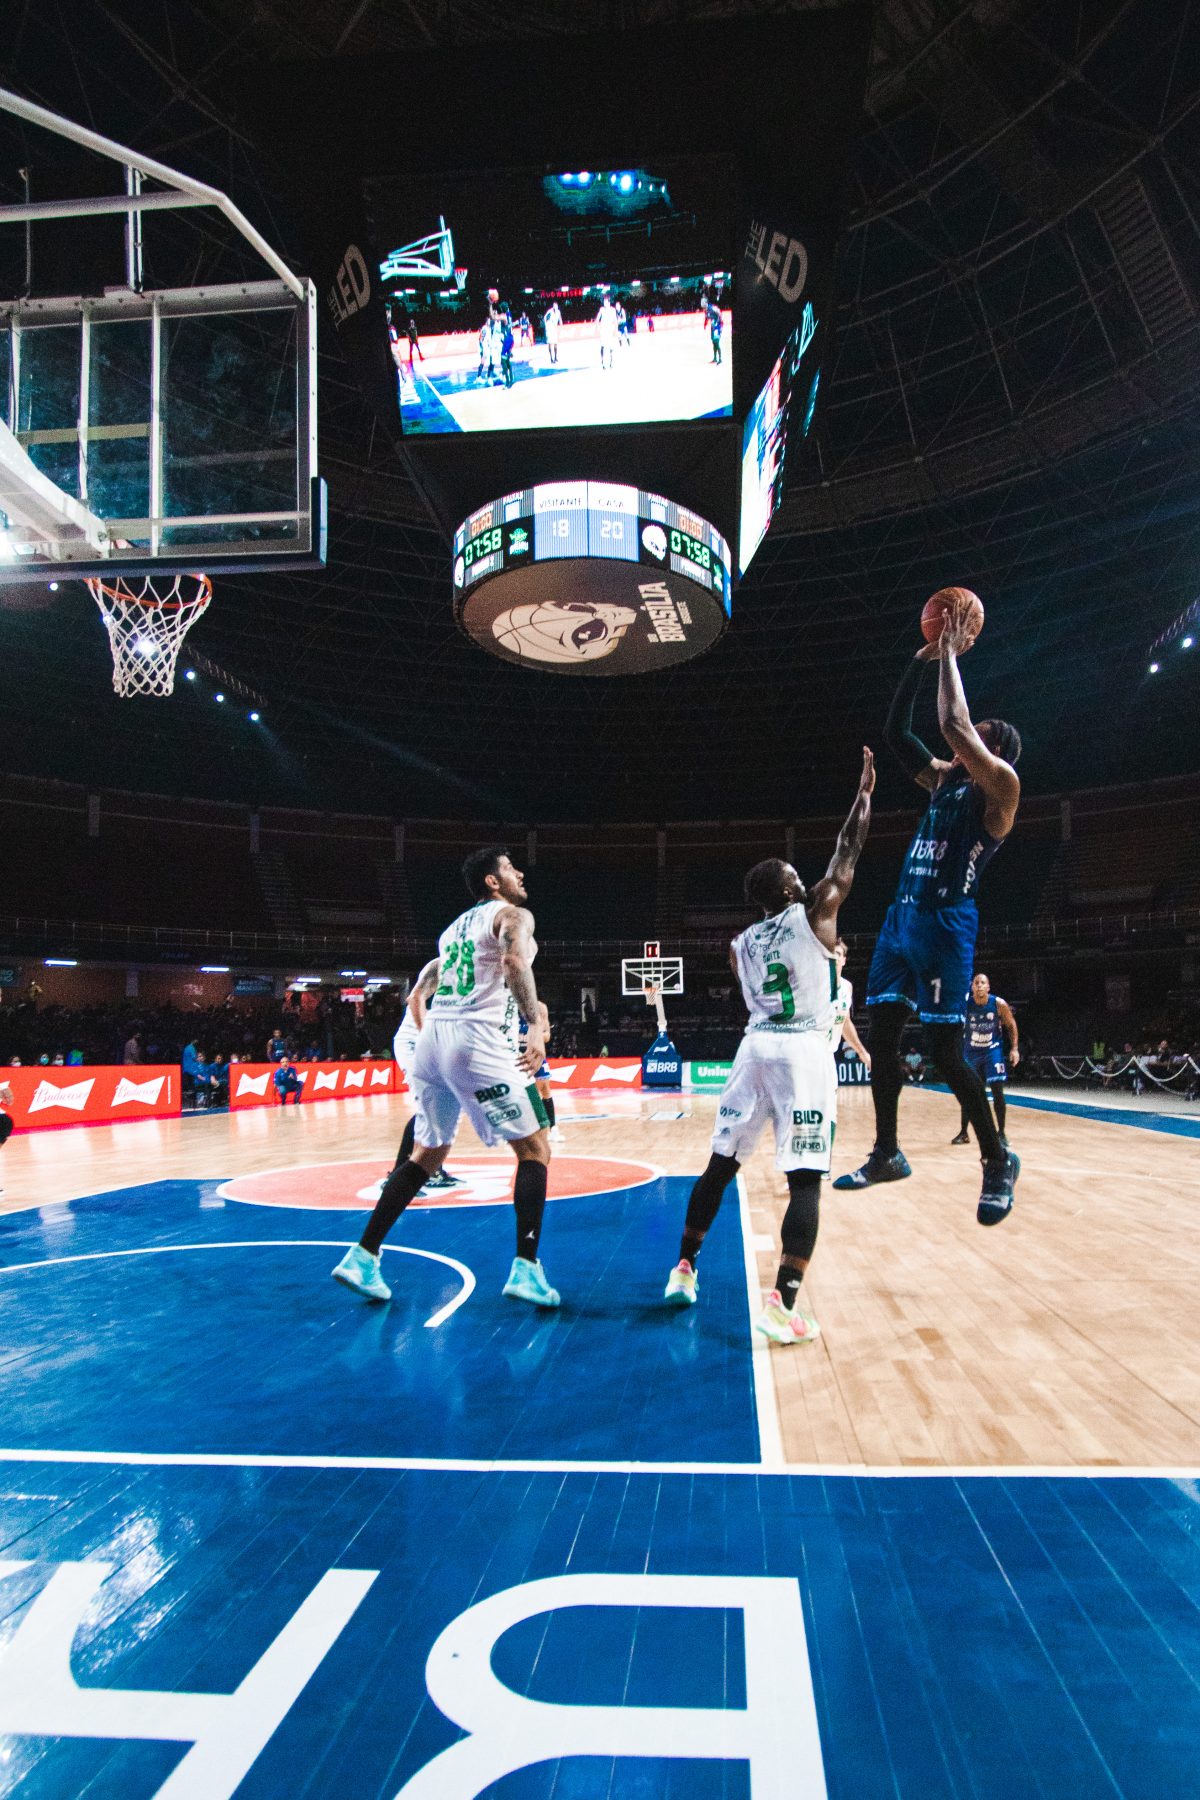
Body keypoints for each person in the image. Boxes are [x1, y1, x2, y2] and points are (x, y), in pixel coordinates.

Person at [664, 749, 875, 1344]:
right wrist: (864, 794)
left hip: (754, 1047)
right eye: (795, 876)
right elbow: (848, 850)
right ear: (787, 888)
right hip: (803, 1050)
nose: (805, 880)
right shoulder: (817, 912)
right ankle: (782, 1306)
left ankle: (683, 1269)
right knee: (805, 1178)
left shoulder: (740, 944)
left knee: (721, 1164)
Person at [834, 596, 1022, 1225]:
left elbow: (952, 725)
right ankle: (887, 1152)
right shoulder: (945, 780)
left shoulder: (1001, 788)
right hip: (902, 919)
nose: (968, 739)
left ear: (994, 749)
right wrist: (921, 662)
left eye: (980, 736)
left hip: (946, 924)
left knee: (944, 1053)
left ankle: (997, 1159)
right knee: (883, 1039)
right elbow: (898, 733)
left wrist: (949, 650)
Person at [334, 847, 556, 1307]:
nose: (519, 872)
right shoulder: (513, 915)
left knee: (427, 1154)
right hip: (475, 1040)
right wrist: (535, 1025)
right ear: (492, 882)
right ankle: (527, 1269)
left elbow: (430, 986)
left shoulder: (453, 928)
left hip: (433, 1041)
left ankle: (363, 1255)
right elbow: (514, 963)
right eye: (509, 867)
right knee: (535, 1149)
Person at [390, 965, 462, 1192]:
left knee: (440, 1108)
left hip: (436, 1047)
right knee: (427, 1105)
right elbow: (414, 998)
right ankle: (401, 1172)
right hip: (413, 1043)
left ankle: (432, 1168)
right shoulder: (441, 965)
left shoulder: (473, 972)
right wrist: (427, 1038)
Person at [951, 973, 1018, 1147]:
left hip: (992, 1051)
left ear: (988, 987)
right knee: (968, 1092)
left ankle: (1001, 1133)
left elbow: (1011, 1025)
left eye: (983, 983)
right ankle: (964, 1132)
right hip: (971, 1052)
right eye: (976, 983)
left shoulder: (998, 1004)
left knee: (997, 1092)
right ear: (972, 987)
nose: (979, 985)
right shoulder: (965, 1003)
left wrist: (1014, 1049)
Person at [519, 1001, 562, 1144]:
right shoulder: (508, 1006)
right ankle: (521, 1132)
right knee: (521, 1094)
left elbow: (547, 1036)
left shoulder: (540, 1007)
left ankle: (553, 1128)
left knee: (544, 1089)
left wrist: (532, 1037)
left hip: (535, 1054)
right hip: (515, 1055)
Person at [830, 937, 871, 1071]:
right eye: (831, 954)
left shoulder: (847, 986)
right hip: (810, 1052)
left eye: (838, 954)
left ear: (844, 960)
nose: (834, 957)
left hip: (828, 1053)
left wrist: (862, 1052)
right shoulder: (816, 985)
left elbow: (845, 1022)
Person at [543, 300, 562, 365]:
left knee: (555, 343)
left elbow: (559, 318)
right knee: (550, 343)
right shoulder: (550, 312)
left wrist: (561, 324)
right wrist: (547, 325)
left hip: (554, 329)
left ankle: (556, 357)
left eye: (556, 306)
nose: (555, 307)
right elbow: (545, 318)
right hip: (549, 329)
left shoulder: (558, 312)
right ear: (553, 306)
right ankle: (551, 358)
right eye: (554, 306)